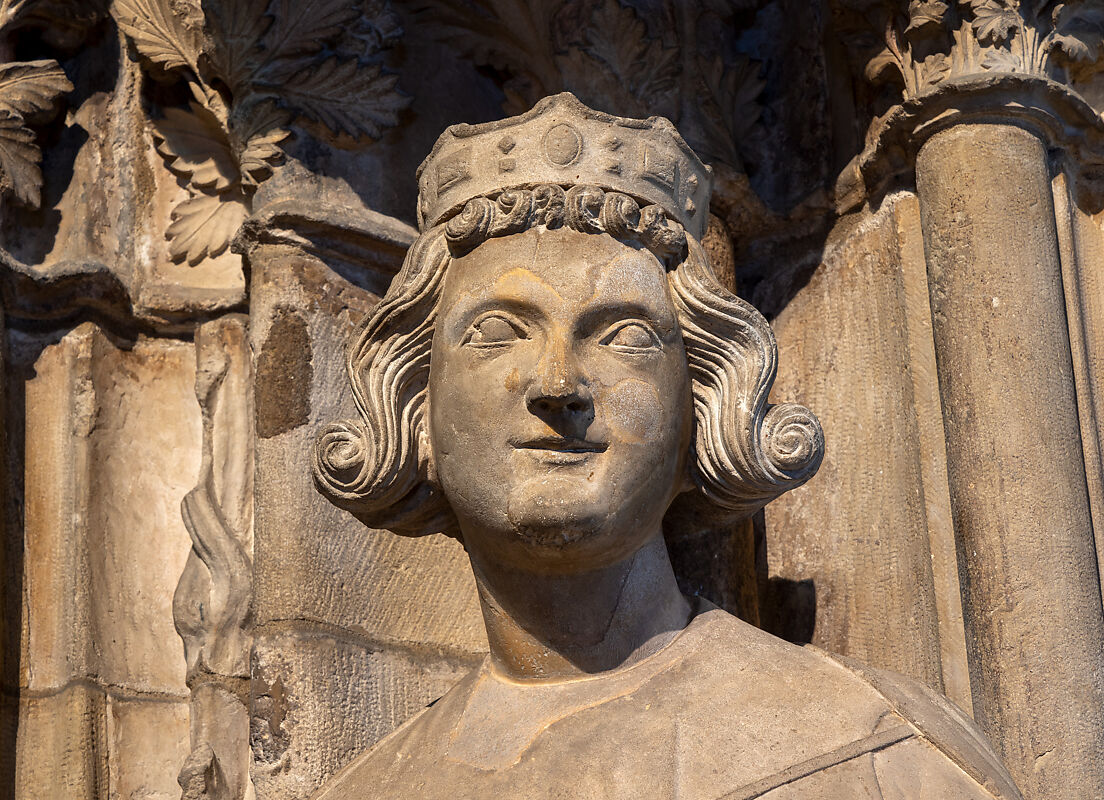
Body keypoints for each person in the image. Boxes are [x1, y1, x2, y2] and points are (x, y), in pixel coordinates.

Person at [311, 93, 1020, 799]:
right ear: (412, 403)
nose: (558, 383)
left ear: (703, 409)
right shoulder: (370, 789)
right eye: (498, 332)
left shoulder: (877, 757)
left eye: (624, 336)